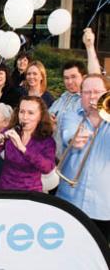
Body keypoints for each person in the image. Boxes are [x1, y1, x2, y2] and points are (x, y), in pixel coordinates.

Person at [56, 74, 109, 242]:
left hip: (102, 207)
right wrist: (74, 139)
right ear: (81, 95)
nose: (92, 97)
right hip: (69, 202)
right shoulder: (72, 115)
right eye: (87, 92)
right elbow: (69, 133)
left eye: (97, 92)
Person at [0, 96, 56, 192]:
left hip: (29, 193)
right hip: (4, 189)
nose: (25, 117)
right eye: (22, 112)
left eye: (30, 113)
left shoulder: (47, 141)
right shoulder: (9, 132)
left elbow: (47, 168)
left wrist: (23, 149)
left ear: (40, 116)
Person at [49, 60, 86, 157]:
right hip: (54, 159)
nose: (69, 82)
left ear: (84, 77)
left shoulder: (87, 101)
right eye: (66, 78)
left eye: (73, 77)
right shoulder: (60, 100)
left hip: (75, 161)